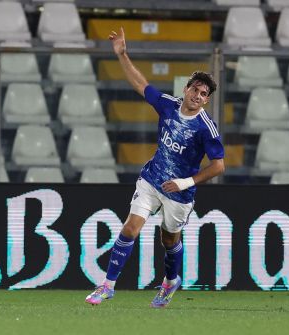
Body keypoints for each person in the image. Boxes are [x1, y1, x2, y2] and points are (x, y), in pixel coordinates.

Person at [85, 28, 225, 308]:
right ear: (186, 89)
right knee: (130, 227)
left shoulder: (205, 128)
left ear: (207, 100)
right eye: (195, 89)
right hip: (151, 179)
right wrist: (122, 54)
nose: (198, 95)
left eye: (203, 94)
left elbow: (218, 166)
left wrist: (186, 183)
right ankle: (107, 286)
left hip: (179, 193)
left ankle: (170, 281)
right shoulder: (168, 105)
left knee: (169, 238)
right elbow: (141, 84)